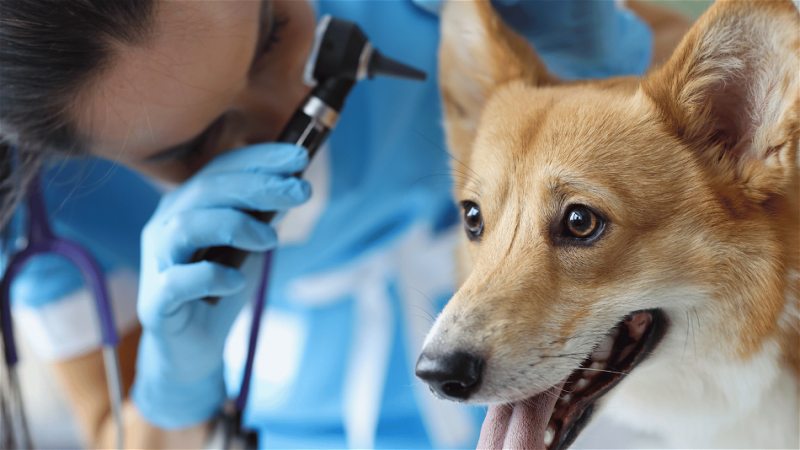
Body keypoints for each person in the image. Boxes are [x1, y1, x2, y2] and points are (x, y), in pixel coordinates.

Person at [0, 0, 690, 448]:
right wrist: (176, 379)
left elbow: (732, 146)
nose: (292, 109)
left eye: (274, 32)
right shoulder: (55, 216)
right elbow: (112, 431)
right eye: (191, 146)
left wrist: (607, 54)